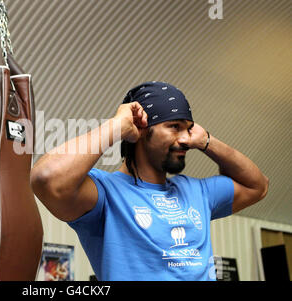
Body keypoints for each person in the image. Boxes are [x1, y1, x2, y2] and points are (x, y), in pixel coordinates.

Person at [30, 81, 269, 281]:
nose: (186, 139)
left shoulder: (198, 191)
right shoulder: (106, 194)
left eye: (189, 129)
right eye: (174, 127)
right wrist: (117, 127)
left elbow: (257, 186)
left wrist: (207, 140)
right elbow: (46, 178)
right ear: (142, 129)